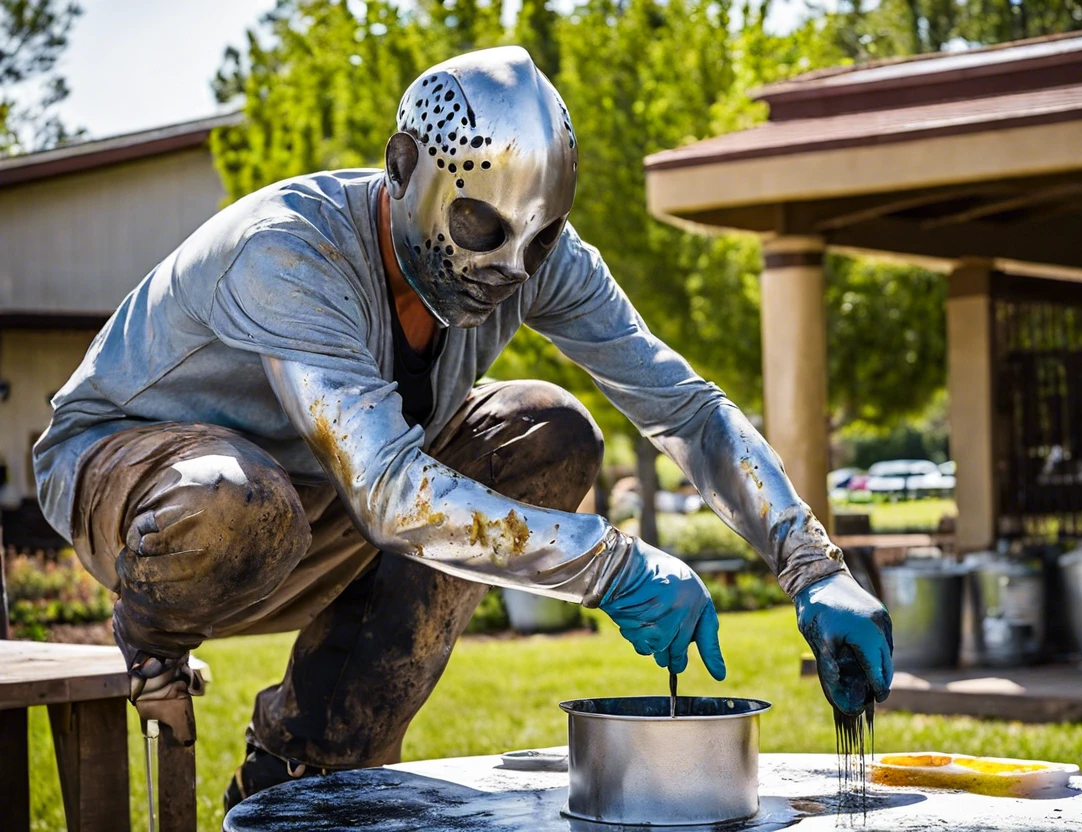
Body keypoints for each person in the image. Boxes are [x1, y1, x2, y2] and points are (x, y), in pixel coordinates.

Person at [33, 46, 892, 809]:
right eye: (479, 225)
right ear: (402, 167)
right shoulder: (289, 251)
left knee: (548, 436)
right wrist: (612, 565)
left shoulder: (528, 256)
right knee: (236, 505)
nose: (508, 269)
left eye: (539, 235)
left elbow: (685, 406)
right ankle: (151, 631)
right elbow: (390, 495)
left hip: (327, 498)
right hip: (147, 485)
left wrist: (812, 565)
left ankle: (307, 762)